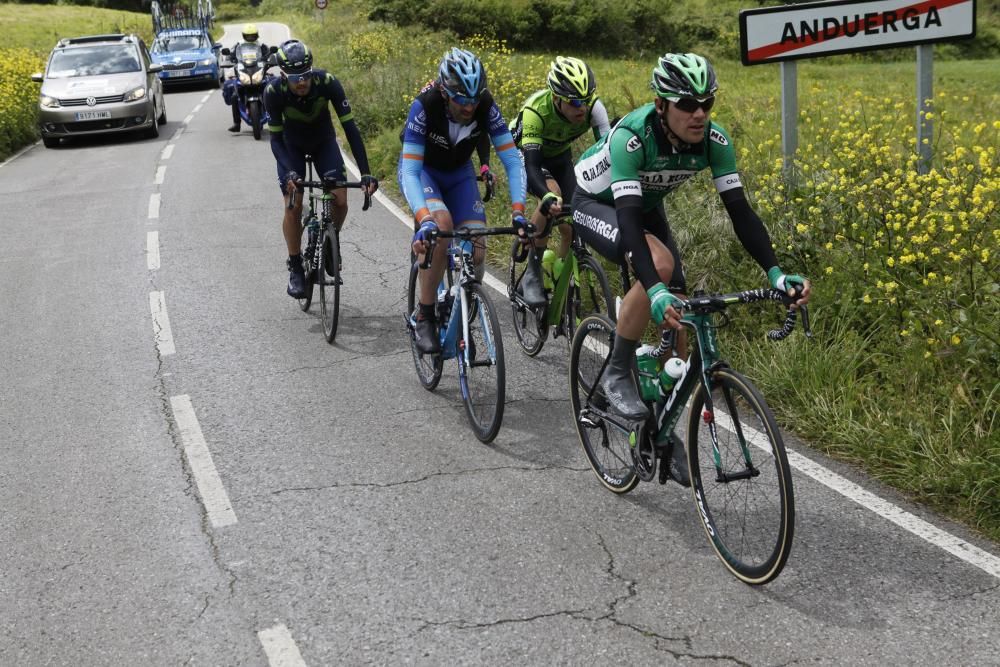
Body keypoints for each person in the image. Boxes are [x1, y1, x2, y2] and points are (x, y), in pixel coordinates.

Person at [572, 52, 811, 484]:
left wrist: (776, 273)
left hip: (644, 204)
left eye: (707, 103)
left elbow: (741, 213)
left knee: (681, 317)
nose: (699, 113)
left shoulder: (713, 141)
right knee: (658, 268)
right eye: (687, 104)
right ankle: (617, 370)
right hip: (598, 203)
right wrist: (654, 285)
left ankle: (661, 434)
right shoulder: (632, 137)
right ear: (661, 105)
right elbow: (627, 221)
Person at [401, 47, 528, 354]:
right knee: (441, 227)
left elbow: (512, 160)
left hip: (459, 174)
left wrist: (518, 211)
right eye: (461, 99)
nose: (469, 106)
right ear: (445, 92)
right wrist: (424, 218)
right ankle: (426, 315)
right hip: (425, 173)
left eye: (474, 99)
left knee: (478, 247)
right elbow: (410, 171)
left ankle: (461, 310)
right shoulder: (425, 105)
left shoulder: (484, 104)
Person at [263, 39, 378, 298]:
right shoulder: (273, 92)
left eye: (305, 76)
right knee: (293, 204)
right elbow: (276, 140)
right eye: (294, 78)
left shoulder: (327, 82)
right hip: (291, 146)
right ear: (283, 75)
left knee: (339, 200)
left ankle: (330, 241)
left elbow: (350, 128)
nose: (301, 83)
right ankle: (295, 266)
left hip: (323, 141)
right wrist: (290, 172)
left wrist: (365, 171)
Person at [509, 56, 610, 306]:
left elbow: (608, 155)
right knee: (552, 195)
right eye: (574, 102)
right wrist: (545, 196)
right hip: (526, 154)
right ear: (556, 98)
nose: (582, 108)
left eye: (586, 100)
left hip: (559, 155)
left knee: (576, 216)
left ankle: (559, 274)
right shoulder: (536, 111)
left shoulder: (594, 108)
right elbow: (532, 166)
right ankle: (532, 275)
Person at [224, 23, 269, 133]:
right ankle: (237, 123)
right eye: (248, 36)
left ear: (256, 35)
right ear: (244, 35)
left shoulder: (261, 45)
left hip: (257, 70)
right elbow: (230, 55)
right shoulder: (238, 45)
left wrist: (270, 59)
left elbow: (269, 54)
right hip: (244, 70)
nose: (250, 38)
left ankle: (278, 118)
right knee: (235, 96)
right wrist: (229, 59)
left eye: (252, 35)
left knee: (270, 89)